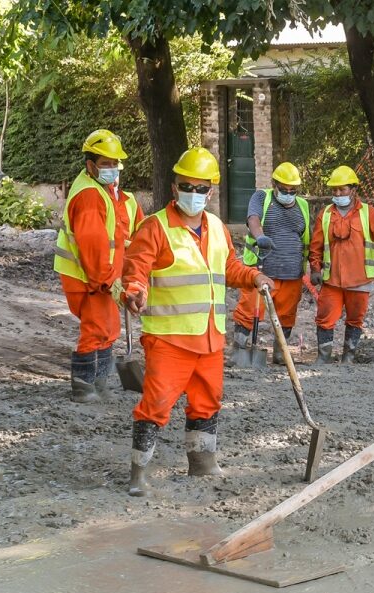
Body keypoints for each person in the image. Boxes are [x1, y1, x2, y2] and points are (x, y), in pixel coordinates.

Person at [120, 147, 274, 497]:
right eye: (186, 185)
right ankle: (138, 474)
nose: (194, 193)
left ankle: (202, 464)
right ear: (174, 187)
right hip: (170, 339)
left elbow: (229, 267)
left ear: (211, 191)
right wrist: (134, 292)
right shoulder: (155, 227)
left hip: (209, 337)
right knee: (156, 404)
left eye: (201, 188)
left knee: (208, 400)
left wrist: (253, 277)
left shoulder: (217, 227)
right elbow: (136, 270)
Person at [53, 129, 142, 402]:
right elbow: (92, 248)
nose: (112, 169)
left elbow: (130, 238)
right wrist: (107, 283)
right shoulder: (90, 196)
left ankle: (99, 383)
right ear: (90, 165)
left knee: (107, 328)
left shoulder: (113, 195)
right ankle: (84, 387)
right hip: (90, 278)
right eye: (106, 164)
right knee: (97, 329)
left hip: (102, 277)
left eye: (115, 163)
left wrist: (127, 279)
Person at [307, 165, 374, 364]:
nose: (337, 194)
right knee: (325, 318)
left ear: (353, 190)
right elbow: (316, 245)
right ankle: (323, 358)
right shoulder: (325, 214)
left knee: (355, 320)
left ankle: (348, 358)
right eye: (334, 190)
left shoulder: (368, 213)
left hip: (360, 279)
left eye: (342, 189)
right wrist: (315, 268)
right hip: (332, 280)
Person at [232, 162, 313, 365]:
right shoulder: (262, 197)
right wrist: (260, 237)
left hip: (292, 272)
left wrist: (314, 266)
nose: (288, 193)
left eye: (292, 190)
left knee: (286, 315)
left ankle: (280, 353)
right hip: (261, 270)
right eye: (283, 189)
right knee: (249, 311)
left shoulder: (302, 205)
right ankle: (240, 352)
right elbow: (253, 219)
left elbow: (307, 238)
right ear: (274, 184)